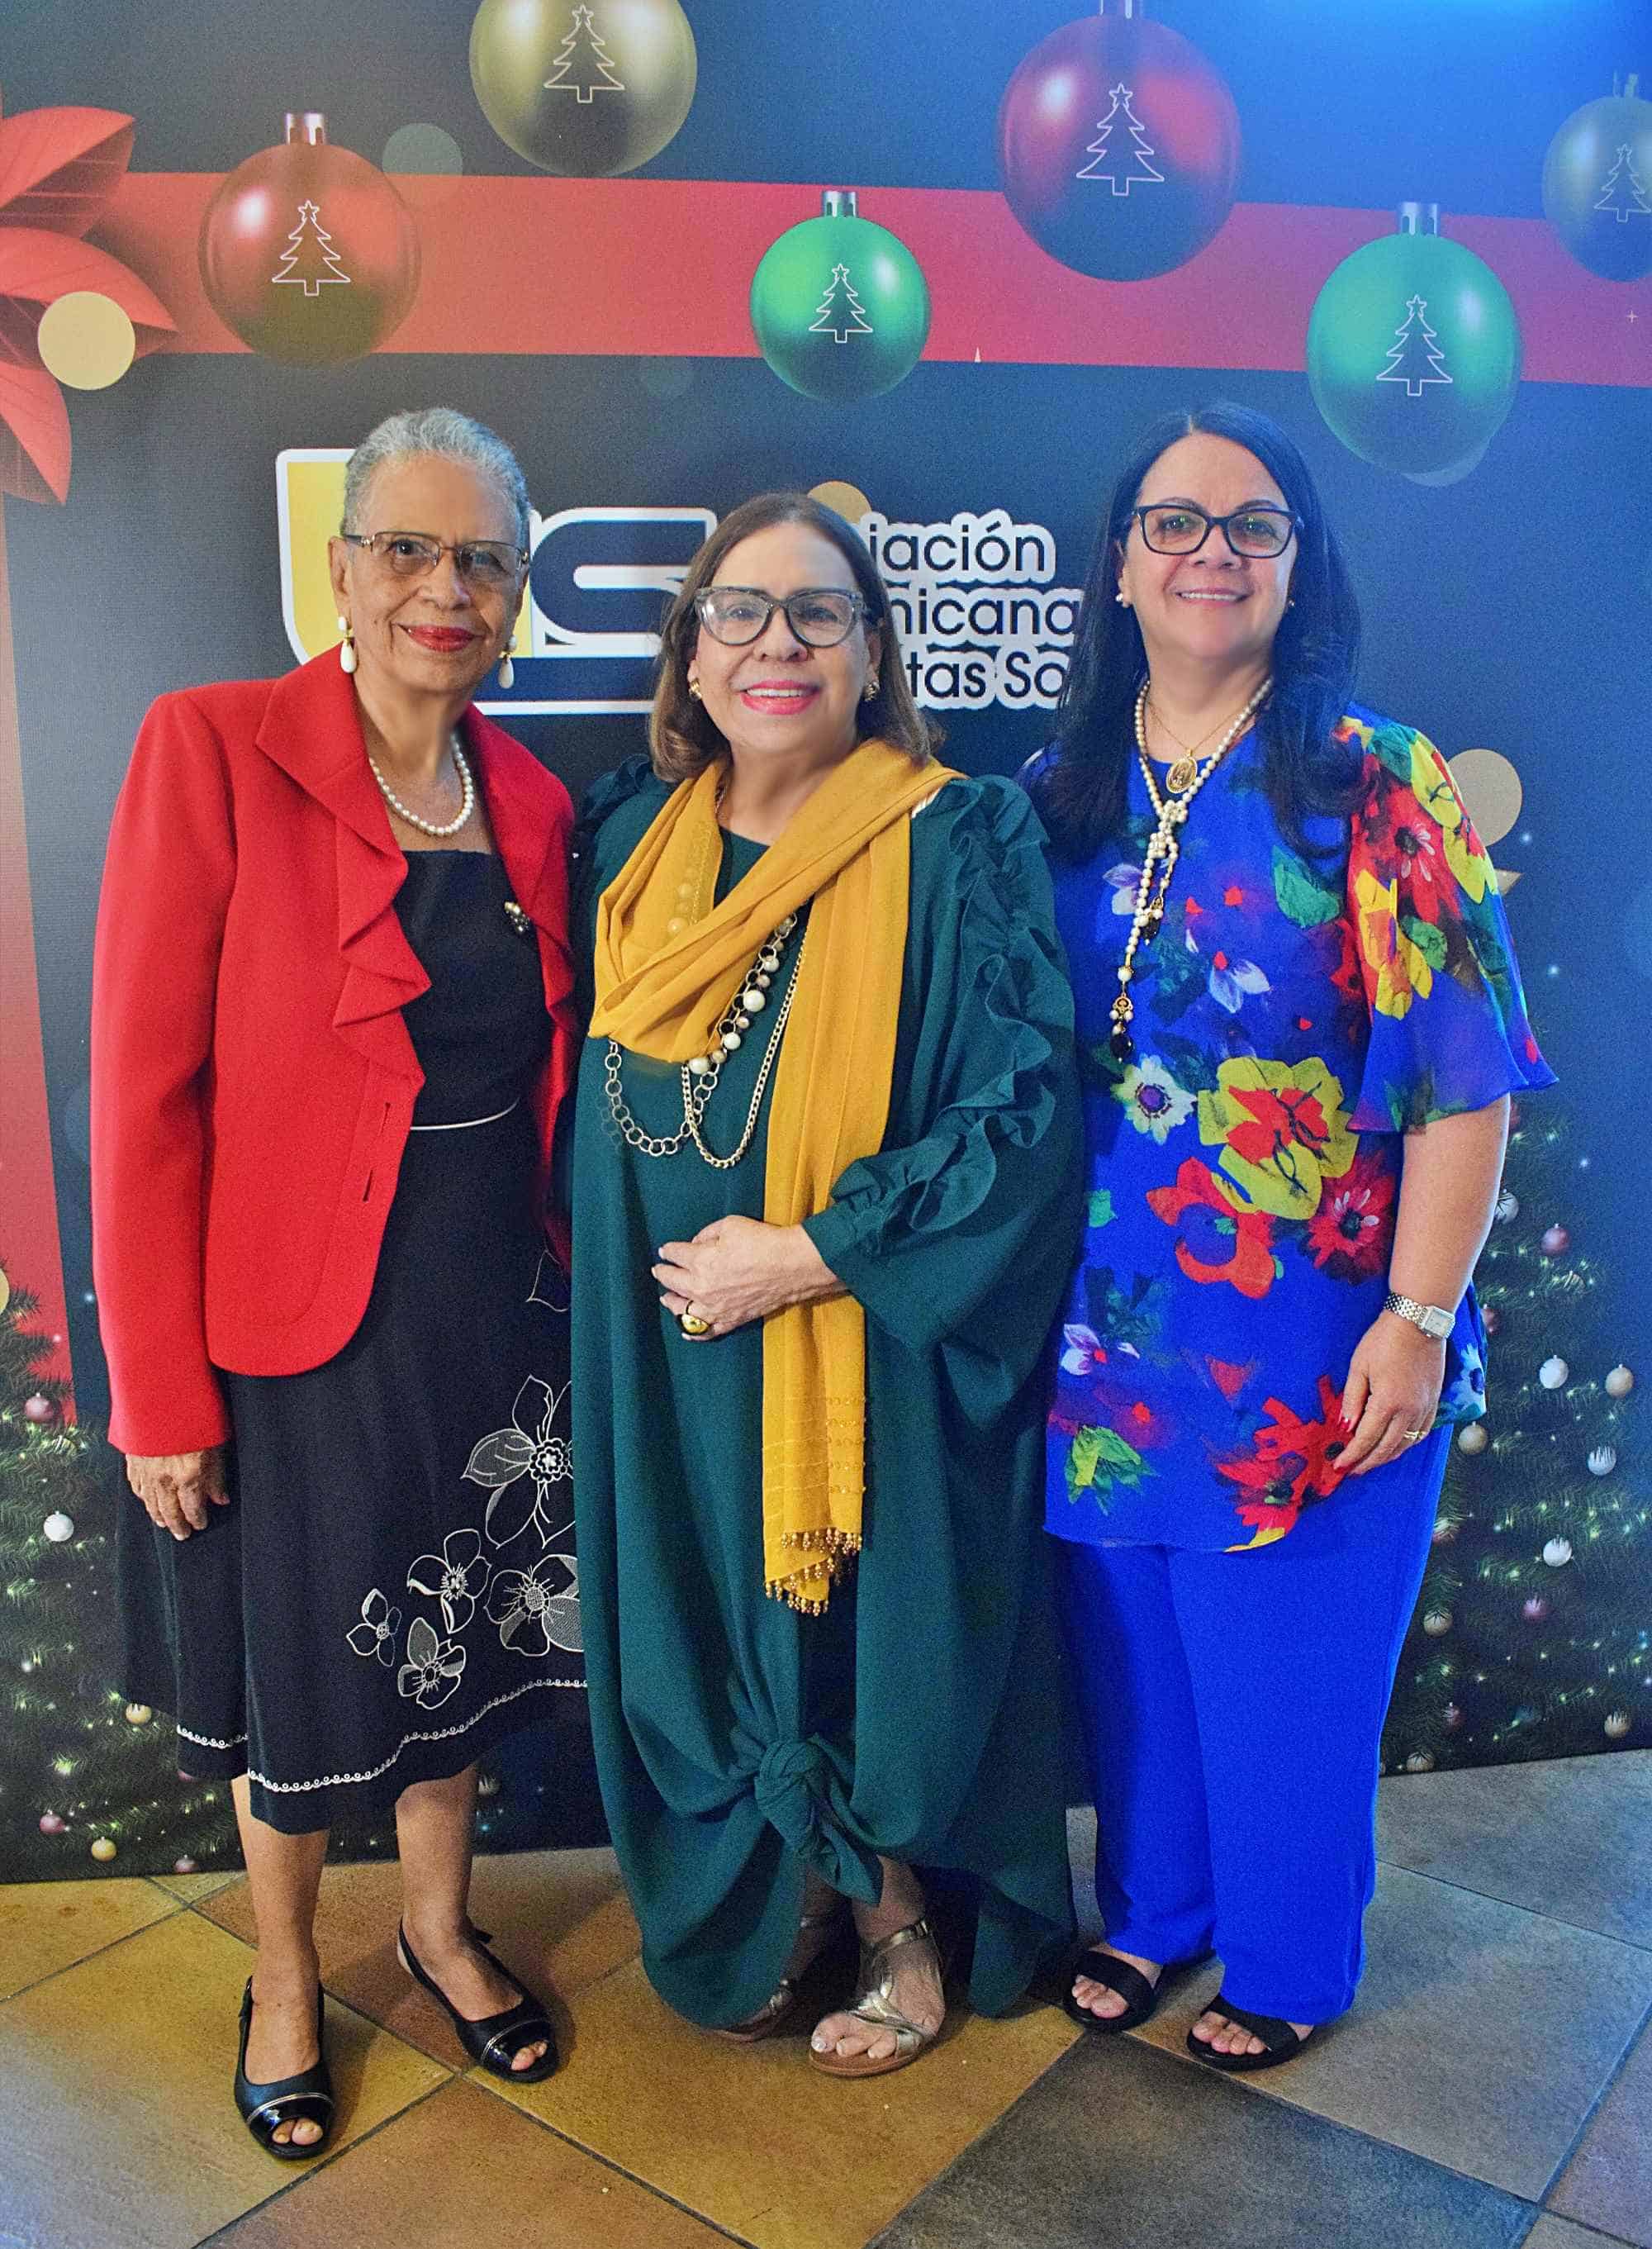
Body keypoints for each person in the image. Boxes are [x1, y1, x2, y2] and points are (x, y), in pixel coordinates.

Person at [1023, 404, 1553, 2071]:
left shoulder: (1368, 779)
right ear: (1118, 562)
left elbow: (1467, 1076)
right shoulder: (1052, 792)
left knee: (1285, 1666)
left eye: (1252, 525)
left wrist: (1419, 1310)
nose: (1210, 554)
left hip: (1322, 1327)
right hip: (1103, 1327)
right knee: (1129, 1652)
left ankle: (1287, 1955)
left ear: (1296, 563)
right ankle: (1155, 1910)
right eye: (1172, 522)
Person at [93, 408, 579, 2155]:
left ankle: (440, 1924)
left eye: (482, 560)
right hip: (291, 1332)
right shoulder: (213, 748)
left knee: (452, 1650)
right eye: (409, 550)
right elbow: (142, 1097)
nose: (444, 590)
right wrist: (154, 1388)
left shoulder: (525, 796)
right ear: (341, 568)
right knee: (307, 1672)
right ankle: (286, 1970)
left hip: (487, 1322)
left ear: (514, 592)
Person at [570, 492, 1082, 2075]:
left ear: (872, 651)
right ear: (692, 653)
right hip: (669, 1346)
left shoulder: (957, 836)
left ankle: (899, 1921)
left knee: (861, 1610)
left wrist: (806, 1256)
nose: (775, 642)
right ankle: (780, 1882)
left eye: (818, 613)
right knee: (711, 1610)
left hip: (862, 1336)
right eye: (741, 610)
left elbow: (1019, 1102)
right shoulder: (631, 842)